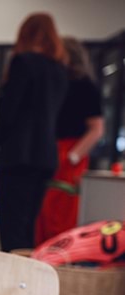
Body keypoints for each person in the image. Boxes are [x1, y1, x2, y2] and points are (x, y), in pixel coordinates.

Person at [0, 13, 68, 252]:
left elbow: (8, 111)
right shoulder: (59, 70)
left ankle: (12, 273)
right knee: (28, 227)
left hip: (17, 156)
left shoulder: (23, 62)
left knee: (11, 227)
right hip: (45, 157)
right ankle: (26, 272)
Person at [35, 37, 104, 246]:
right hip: (49, 150)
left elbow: (97, 129)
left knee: (63, 213)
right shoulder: (54, 83)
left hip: (70, 153)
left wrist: (73, 156)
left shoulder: (85, 86)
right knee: (43, 212)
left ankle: (62, 256)